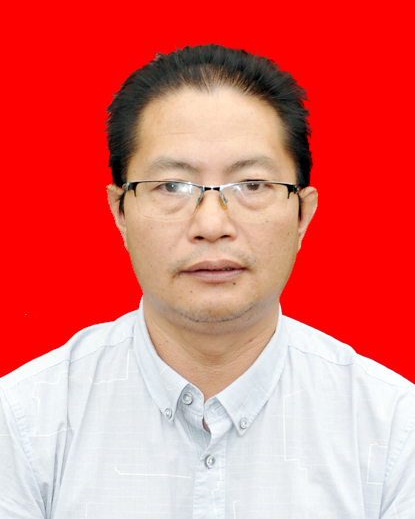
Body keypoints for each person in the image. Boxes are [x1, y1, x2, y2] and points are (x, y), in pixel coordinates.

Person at [0, 45, 413, 519]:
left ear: (303, 214)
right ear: (120, 212)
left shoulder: (394, 432)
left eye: (252, 185)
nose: (212, 225)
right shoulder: (25, 422)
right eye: (172, 186)